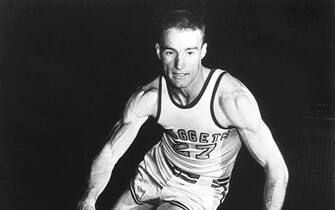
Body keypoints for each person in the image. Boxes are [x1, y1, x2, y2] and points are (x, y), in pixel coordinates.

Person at [77, 10, 288, 210]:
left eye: (190, 52)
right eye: (171, 52)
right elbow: (110, 152)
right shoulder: (149, 97)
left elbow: (276, 168)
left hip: (200, 187)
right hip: (156, 170)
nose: (180, 64)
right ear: (159, 52)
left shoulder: (231, 99)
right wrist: (89, 198)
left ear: (203, 51)